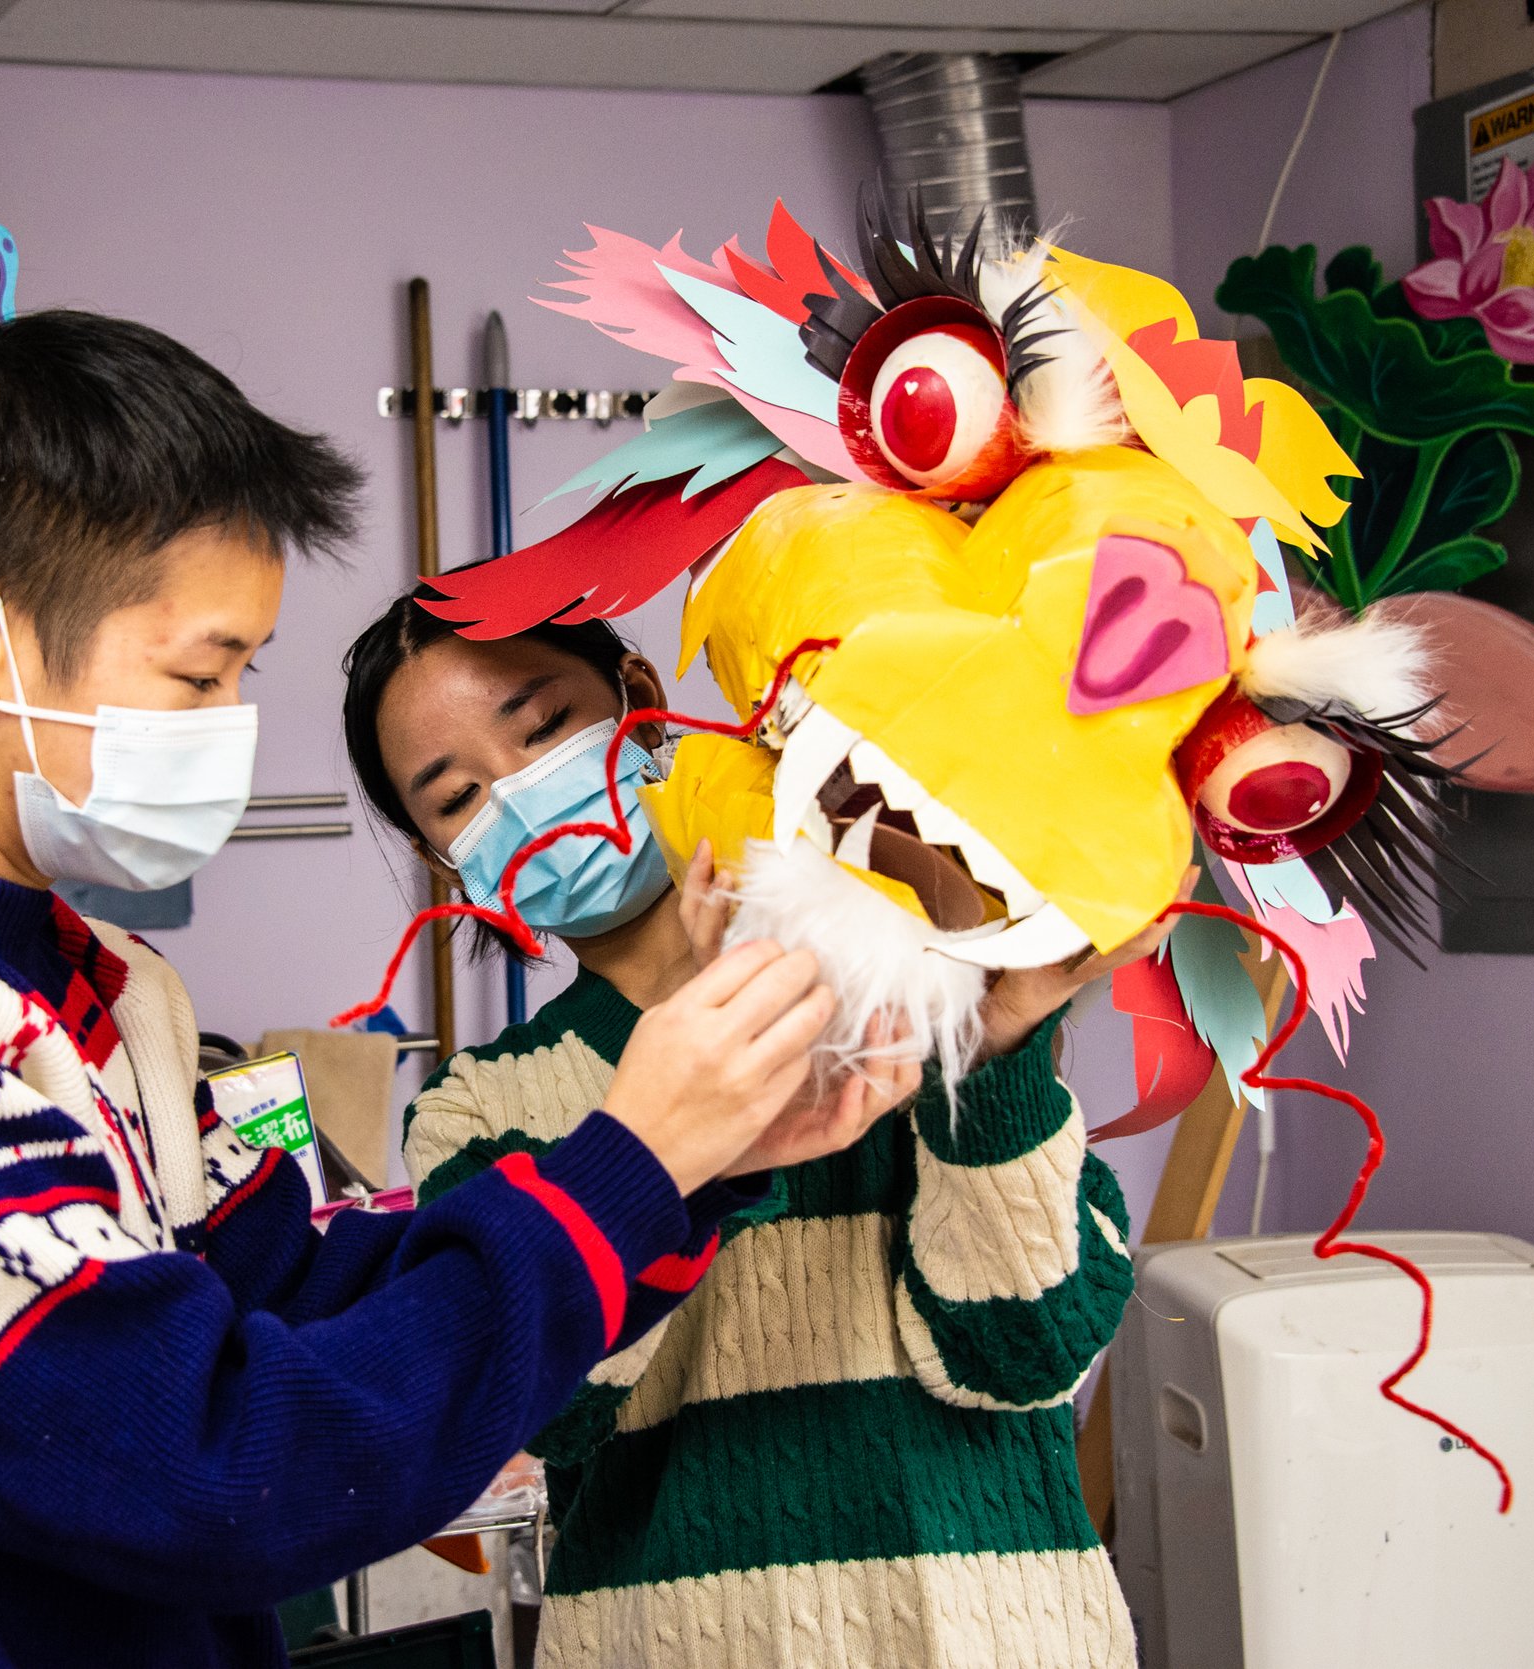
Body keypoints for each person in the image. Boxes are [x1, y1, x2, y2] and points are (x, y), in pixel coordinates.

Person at [0, 311, 893, 1669]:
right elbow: (217, 1467)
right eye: (199, 671)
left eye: (246, 669)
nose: (232, 722)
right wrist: (625, 1164)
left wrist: (692, 1163)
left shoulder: (114, 992)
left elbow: (305, 1289)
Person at [344, 594, 1171, 1669]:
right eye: (458, 796)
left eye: (544, 728)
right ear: (444, 856)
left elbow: (1027, 1351)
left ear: (639, 700)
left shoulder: (899, 979)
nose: (524, 795)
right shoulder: (479, 1108)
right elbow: (542, 1414)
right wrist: (695, 1093)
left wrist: (986, 1059)